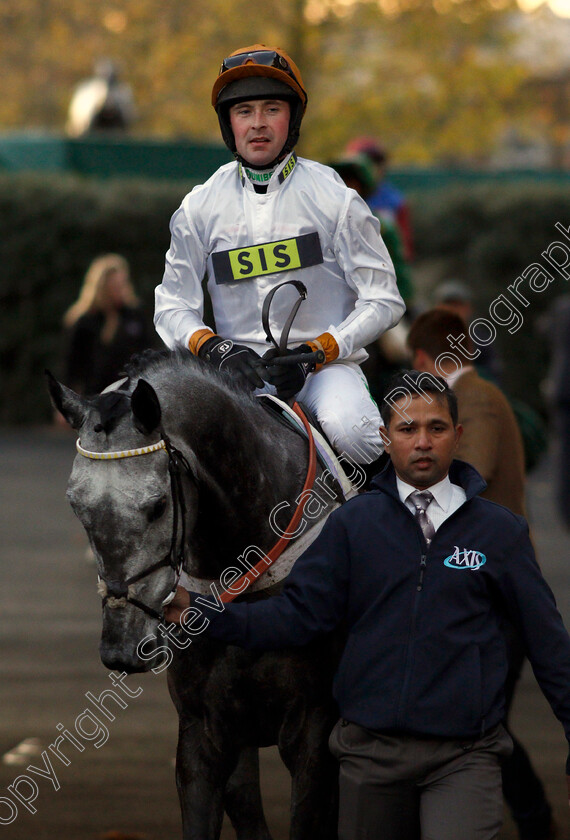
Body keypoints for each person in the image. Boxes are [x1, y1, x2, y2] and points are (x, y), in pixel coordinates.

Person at [165, 370, 570, 840]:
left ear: (457, 437)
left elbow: (549, 644)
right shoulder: (350, 526)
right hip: (369, 758)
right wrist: (200, 611)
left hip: (466, 756)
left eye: (436, 428)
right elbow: (294, 618)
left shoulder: (500, 533)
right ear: (384, 438)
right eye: (407, 429)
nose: (422, 442)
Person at [153, 45, 404, 465]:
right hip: (235, 374)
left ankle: (389, 525)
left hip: (325, 370)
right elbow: (171, 305)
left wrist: (318, 351)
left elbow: (384, 300)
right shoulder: (199, 207)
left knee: (354, 430)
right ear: (227, 123)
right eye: (244, 111)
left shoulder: (336, 199)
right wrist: (216, 349)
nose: (258, 124)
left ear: (293, 120)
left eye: (272, 109)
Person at [407, 308, 557, 840]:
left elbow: (468, 477)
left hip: (495, 592)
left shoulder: (478, 400)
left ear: (425, 360)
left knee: (485, 724)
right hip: (488, 588)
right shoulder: (475, 397)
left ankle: (535, 822)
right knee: (483, 721)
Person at [63, 254, 152, 396]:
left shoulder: (135, 316)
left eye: (121, 285)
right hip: (95, 396)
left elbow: (148, 352)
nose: (119, 291)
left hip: (132, 393)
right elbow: (72, 367)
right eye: (113, 287)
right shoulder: (85, 321)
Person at [345, 135, 414, 261]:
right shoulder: (340, 197)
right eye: (366, 163)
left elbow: (403, 249)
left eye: (376, 162)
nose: (372, 168)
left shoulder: (393, 200)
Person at [66, 58, 136, 137]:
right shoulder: (88, 91)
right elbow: (79, 122)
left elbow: (128, 118)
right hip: (89, 136)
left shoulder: (122, 91)